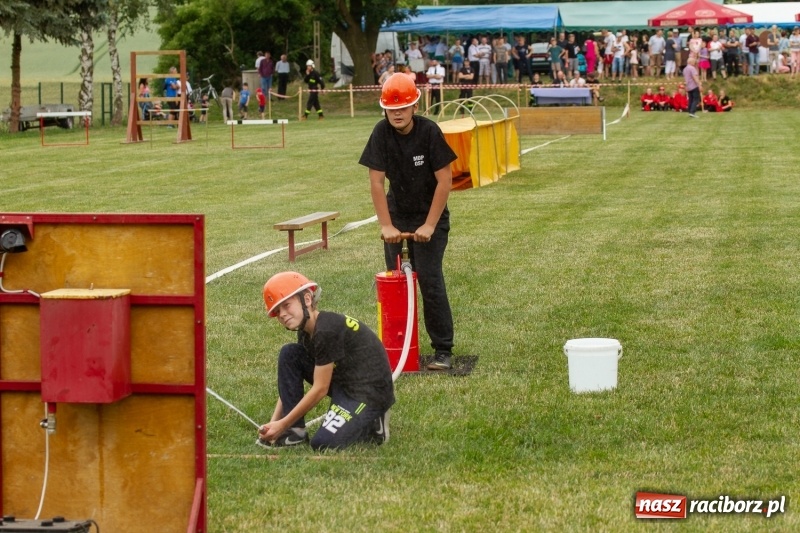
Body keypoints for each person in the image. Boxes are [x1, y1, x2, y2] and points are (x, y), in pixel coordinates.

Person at [358, 74, 458, 371]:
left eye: (403, 107)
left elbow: (445, 181)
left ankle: (442, 349)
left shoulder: (429, 132)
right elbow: (376, 183)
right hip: (398, 213)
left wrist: (429, 225)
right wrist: (387, 226)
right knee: (396, 283)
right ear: (384, 110)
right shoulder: (380, 134)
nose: (397, 113)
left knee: (429, 279)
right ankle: (399, 347)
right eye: (391, 109)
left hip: (430, 215)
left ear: (415, 106)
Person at [257, 272, 394, 450]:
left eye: (286, 305)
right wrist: (274, 423)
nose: (282, 314)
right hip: (343, 383)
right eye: (277, 311)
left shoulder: (326, 331)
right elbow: (290, 383)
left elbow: (320, 389)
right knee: (289, 353)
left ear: (307, 299)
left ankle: (375, 421)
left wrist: (281, 424)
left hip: (368, 393)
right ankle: (295, 432)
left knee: (323, 444)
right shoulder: (306, 330)